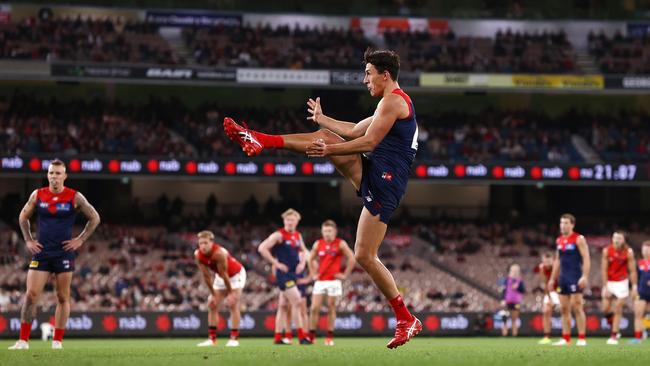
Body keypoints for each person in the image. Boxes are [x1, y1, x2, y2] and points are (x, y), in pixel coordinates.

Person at [224, 48, 421, 348]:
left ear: (385, 74)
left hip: (386, 183)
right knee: (325, 136)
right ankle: (260, 139)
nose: (365, 80)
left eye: (368, 74)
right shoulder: (389, 102)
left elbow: (367, 141)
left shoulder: (394, 101)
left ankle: (406, 319)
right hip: (378, 172)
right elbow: (355, 130)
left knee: (365, 256)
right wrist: (323, 118)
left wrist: (329, 151)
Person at [9, 159, 100, 350]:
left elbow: (94, 218)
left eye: (58, 173)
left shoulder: (74, 197)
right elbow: (23, 217)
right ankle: (23, 341)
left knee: (62, 297)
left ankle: (57, 340)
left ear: (64, 176)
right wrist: (28, 240)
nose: (54, 176)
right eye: (51, 173)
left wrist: (80, 239)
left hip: (63, 254)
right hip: (42, 253)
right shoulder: (38, 195)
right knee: (31, 295)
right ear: (47, 175)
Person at [258, 208, 310, 344]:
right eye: (288, 219)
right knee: (297, 301)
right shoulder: (279, 235)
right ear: (284, 221)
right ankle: (301, 337)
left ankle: (278, 337)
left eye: (292, 220)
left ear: (297, 221)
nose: (290, 222)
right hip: (283, 275)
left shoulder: (298, 235)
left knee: (282, 306)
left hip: (293, 273)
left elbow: (304, 250)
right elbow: (262, 248)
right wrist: (276, 262)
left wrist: (302, 263)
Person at [195, 230, 246, 347]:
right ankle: (212, 339)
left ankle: (234, 338)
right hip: (221, 276)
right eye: (201, 243)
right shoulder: (198, 255)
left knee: (232, 303)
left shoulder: (219, 253)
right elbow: (206, 276)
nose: (203, 246)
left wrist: (231, 293)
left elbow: (225, 275)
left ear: (212, 242)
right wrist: (212, 294)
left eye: (205, 243)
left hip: (235, 274)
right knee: (211, 304)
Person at [307, 220, 355, 345]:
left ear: (335, 231)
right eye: (325, 231)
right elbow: (310, 259)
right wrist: (313, 274)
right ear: (322, 232)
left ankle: (329, 336)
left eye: (329, 231)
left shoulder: (340, 243)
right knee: (314, 308)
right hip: (320, 280)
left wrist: (345, 275)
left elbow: (351, 258)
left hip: (334, 281)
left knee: (331, 307)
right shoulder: (318, 243)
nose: (327, 233)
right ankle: (311, 335)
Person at [548, 214, 590, 346]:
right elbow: (557, 261)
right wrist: (552, 279)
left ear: (572, 225)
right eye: (561, 223)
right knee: (564, 309)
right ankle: (565, 338)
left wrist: (585, 276)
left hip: (575, 277)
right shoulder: (559, 240)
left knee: (577, 307)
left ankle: (582, 338)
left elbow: (586, 258)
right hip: (563, 279)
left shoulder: (578, 239)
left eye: (566, 223)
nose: (563, 225)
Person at [601, 231, 636, 345]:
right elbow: (604, 269)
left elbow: (632, 270)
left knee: (617, 308)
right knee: (605, 309)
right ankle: (614, 326)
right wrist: (605, 286)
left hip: (622, 282)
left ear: (623, 240)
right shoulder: (607, 250)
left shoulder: (628, 252)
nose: (616, 240)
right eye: (614, 237)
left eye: (619, 238)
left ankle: (614, 336)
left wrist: (634, 286)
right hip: (610, 282)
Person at [629, 240, 650, 344]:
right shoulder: (639, 263)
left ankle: (646, 331)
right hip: (642, 292)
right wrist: (634, 288)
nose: (646, 251)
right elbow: (634, 278)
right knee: (638, 314)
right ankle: (638, 338)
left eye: (648, 249)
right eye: (644, 249)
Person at [537, 252, 560, 344]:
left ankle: (566, 336)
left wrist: (559, 298)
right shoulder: (542, 268)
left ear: (553, 260)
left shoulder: (557, 267)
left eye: (549, 261)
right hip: (550, 292)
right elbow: (545, 283)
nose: (547, 263)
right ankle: (547, 336)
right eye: (545, 261)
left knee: (565, 312)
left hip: (561, 291)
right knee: (546, 311)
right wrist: (550, 298)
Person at [500, 264, 525, 337]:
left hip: (516, 301)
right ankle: (504, 332)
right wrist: (502, 299)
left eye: (516, 270)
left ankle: (514, 333)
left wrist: (518, 287)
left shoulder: (520, 281)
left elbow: (523, 290)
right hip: (507, 301)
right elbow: (503, 290)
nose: (514, 272)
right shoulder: (507, 279)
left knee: (514, 318)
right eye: (513, 270)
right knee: (505, 316)